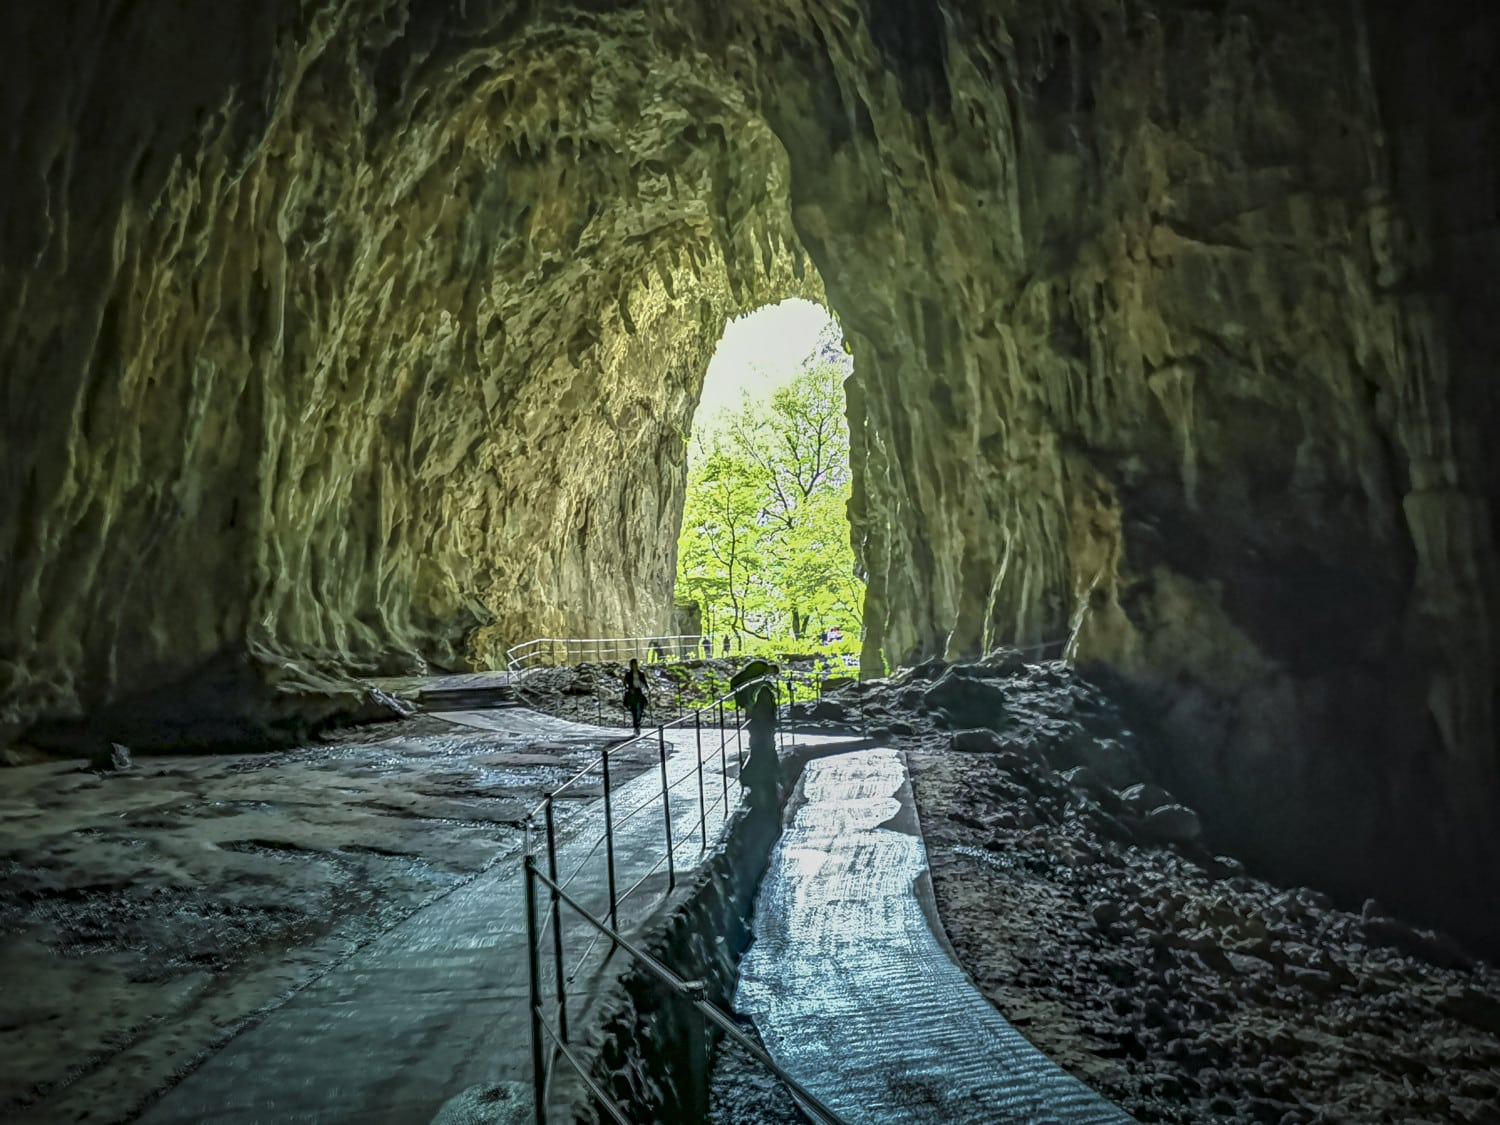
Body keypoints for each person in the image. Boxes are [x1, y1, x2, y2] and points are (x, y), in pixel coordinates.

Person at [622, 658, 649, 734]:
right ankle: (636, 726)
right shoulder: (628, 674)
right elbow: (625, 683)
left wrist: (646, 687)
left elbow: (644, 683)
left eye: (636, 664)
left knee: (640, 709)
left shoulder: (641, 674)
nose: (635, 666)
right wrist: (628, 688)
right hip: (632, 693)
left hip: (638, 691)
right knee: (634, 711)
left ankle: (638, 723)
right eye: (633, 664)